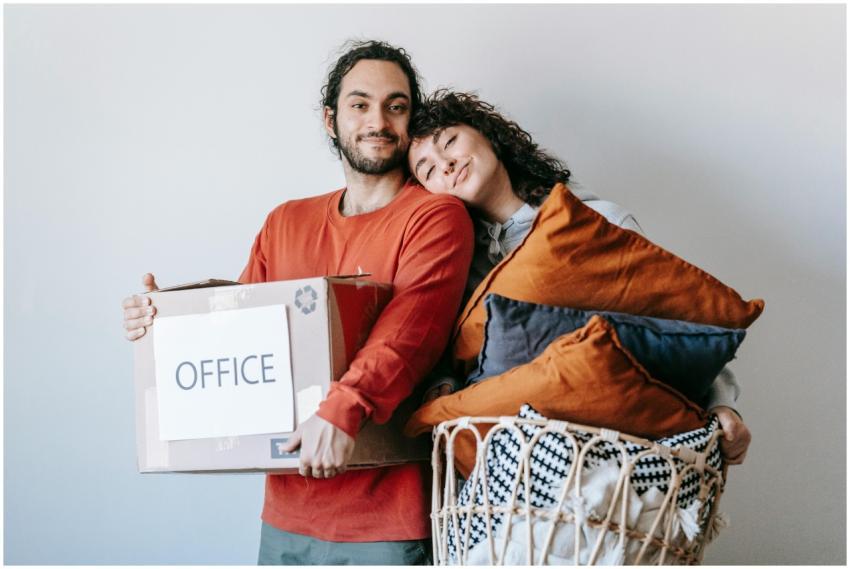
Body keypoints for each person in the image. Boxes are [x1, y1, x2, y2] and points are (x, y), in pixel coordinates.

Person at [122, 41, 474, 565]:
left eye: (395, 106)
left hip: (386, 519)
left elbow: (408, 333)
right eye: (360, 104)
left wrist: (343, 409)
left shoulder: (436, 217)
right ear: (332, 121)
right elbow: (238, 329)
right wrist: (165, 320)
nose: (378, 120)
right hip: (285, 515)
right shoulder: (285, 221)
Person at [407, 90, 751, 465]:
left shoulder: (601, 223)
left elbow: (674, 328)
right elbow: (453, 362)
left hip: (619, 450)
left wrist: (723, 405)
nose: (444, 163)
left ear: (486, 133)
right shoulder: (454, 264)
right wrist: (442, 387)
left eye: (450, 142)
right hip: (511, 472)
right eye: (426, 169)